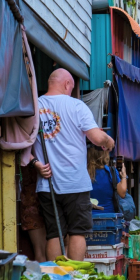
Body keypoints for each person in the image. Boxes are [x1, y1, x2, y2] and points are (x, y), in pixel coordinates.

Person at [33, 69, 115, 261]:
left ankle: (56, 278)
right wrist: (108, 141)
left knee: (54, 233)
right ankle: (74, 279)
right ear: (67, 84)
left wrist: (36, 163)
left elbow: (22, 141)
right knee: (78, 232)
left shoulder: (34, 106)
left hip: (47, 184)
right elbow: (96, 138)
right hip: (75, 183)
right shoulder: (76, 106)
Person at [88, 147, 128, 213]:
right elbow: (122, 193)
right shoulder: (111, 172)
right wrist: (123, 176)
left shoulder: (84, 172)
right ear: (104, 155)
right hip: (109, 217)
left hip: (88, 217)